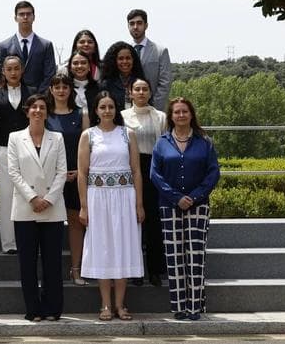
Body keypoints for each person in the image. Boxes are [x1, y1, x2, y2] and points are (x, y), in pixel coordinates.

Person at [151, 97, 220, 321]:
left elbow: (213, 173)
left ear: (191, 115)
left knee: (195, 257)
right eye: (176, 112)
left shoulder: (205, 142)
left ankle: (195, 307)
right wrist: (176, 197)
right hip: (170, 206)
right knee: (174, 257)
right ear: (170, 117)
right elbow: (155, 175)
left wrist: (195, 196)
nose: (181, 115)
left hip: (197, 206)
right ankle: (179, 307)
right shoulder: (162, 142)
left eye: (185, 112)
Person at [78, 91, 144, 321]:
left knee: (122, 247)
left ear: (116, 110)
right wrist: (84, 206)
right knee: (103, 248)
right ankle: (105, 305)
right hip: (98, 198)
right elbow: (82, 174)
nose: (107, 111)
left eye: (111, 107)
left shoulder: (128, 134)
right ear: (96, 110)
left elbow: (136, 170)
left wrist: (139, 204)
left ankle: (120, 305)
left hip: (124, 197)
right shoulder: (88, 135)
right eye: (102, 107)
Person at [5, 94, 66, 322]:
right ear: (27, 111)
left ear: (47, 112)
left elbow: (62, 172)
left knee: (52, 262)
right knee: (27, 264)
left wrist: (48, 199)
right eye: (34, 107)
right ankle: (33, 309)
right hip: (25, 207)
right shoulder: (14, 138)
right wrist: (32, 198)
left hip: (52, 207)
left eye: (42, 107)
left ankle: (52, 308)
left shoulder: (57, 139)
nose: (38, 111)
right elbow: (13, 172)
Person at [44, 75, 90, 285]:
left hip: (75, 176)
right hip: (50, 179)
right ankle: (47, 272)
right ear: (51, 90)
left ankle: (76, 269)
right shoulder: (44, 114)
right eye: (57, 86)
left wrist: (79, 172)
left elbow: (88, 148)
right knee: (47, 226)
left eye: (65, 86)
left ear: (71, 90)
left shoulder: (81, 114)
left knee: (75, 224)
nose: (61, 90)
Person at [123, 77, 168, 287]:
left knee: (153, 221)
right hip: (128, 168)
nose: (141, 92)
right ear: (130, 92)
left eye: (145, 89)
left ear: (150, 93)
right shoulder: (121, 116)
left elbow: (166, 145)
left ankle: (156, 270)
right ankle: (135, 270)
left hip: (154, 168)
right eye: (137, 89)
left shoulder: (160, 117)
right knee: (131, 222)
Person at [0, 54, 29, 254]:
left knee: (27, 193)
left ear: (22, 70)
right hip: (4, 148)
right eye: (9, 69)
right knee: (6, 196)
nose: (13, 72)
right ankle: (9, 243)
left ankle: (27, 240)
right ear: (3, 72)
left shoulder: (31, 93)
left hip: (28, 149)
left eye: (16, 68)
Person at [0, 1, 57, 95]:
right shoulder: (5, 45)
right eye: (21, 14)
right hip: (12, 97)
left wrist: (39, 95)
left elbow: (50, 75)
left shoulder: (46, 45)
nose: (25, 17)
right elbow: (1, 73)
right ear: (15, 18)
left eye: (28, 14)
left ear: (34, 17)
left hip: (38, 99)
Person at [128, 8, 172, 110]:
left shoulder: (160, 51)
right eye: (132, 23)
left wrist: (152, 107)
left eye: (139, 23)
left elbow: (165, 83)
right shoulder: (124, 52)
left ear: (146, 25)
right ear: (128, 26)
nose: (135, 27)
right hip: (128, 111)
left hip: (153, 109)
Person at [98, 41, 144, 113]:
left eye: (128, 58)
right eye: (121, 58)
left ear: (133, 60)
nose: (125, 61)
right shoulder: (106, 84)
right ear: (114, 61)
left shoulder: (141, 83)